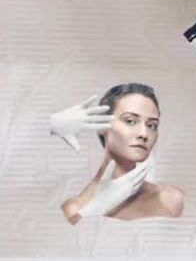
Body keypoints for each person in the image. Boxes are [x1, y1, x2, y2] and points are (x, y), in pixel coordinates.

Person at [52, 83, 185, 223]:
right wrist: (91, 209)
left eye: (152, 125)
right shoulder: (73, 209)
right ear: (101, 125)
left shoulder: (170, 199)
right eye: (130, 121)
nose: (144, 134)